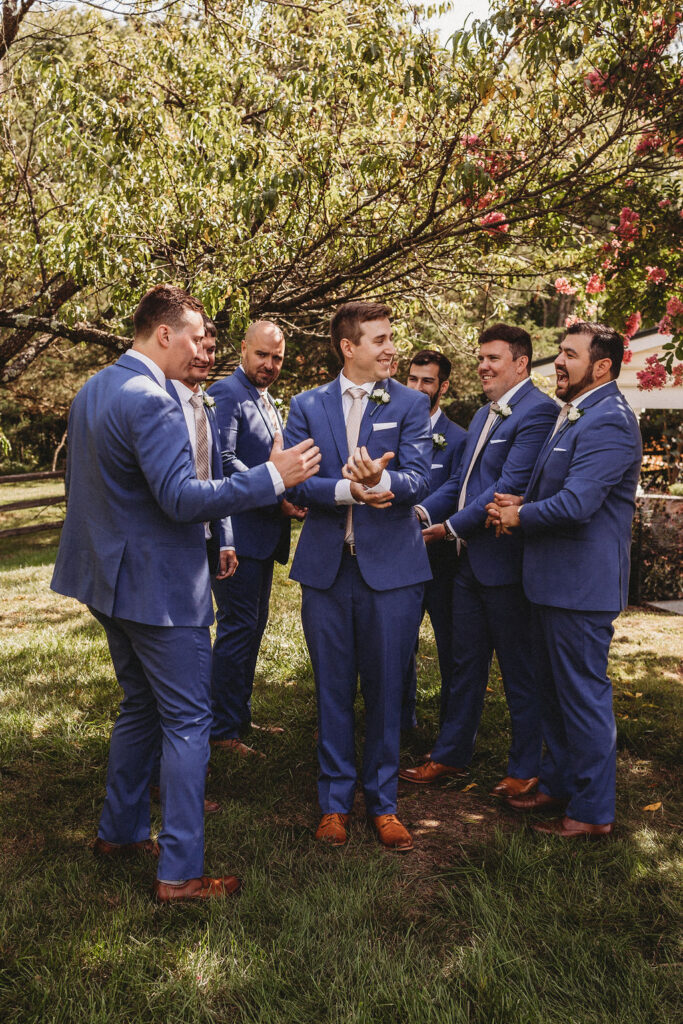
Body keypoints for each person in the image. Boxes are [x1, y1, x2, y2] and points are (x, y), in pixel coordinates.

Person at [51, 284, 320, 901]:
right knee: (189, 721)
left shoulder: (95, 386)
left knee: (140, 706)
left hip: (106, 579)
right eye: (197, 336)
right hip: (157, 587)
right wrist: (271, 477)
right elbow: (180, 499)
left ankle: (118, 833)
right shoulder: (151, 399)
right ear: (164, 333)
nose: (203, 347)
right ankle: (179, 872)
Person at [284, 301, 432, 852]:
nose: (391, 347)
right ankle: (333, 804)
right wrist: (350, 490)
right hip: (327, 571)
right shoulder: (306, 405)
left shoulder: (411, 403)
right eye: (380, 339)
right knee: (332, 690)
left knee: (388, 689)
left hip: (392, 572)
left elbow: (419, 476)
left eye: (391, 337)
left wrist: (385, 478)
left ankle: (386, 804)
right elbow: (296, 484)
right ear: (349, 347)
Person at [486, 322, 642, 838]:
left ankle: (593, 813)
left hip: (580, 588)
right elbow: (554, 484)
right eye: (559, 352)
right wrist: (520, 501)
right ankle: (556, 785)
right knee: (552, 694)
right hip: (550, 583)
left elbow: (578, 503)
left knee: (582, 699)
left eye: (569, 354)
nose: (557, 360)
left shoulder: (610, 421)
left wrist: (519, 516)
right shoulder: (576, 413)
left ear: (601, 367)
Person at [399, 324, 557, 797]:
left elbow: (505, 486)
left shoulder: (538, 412)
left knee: (517, 673)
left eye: (493, 358)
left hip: (506, 564)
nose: (484, 366)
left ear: (521, 363)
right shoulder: (488, 412)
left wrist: (449, 528)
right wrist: (431, 513)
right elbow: (463, 483)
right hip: (470, 563)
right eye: (481, 358)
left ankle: (526, 767)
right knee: (464, 665)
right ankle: (450, 756)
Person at [207, 321, 306, 757]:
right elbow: (222, 460)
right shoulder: (228, 393)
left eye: (278, 358)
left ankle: (237, 718)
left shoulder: (264, 398)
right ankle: (221, 732)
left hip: (261, 536)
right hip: (238, 535)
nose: (270, 364)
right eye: (262, 355)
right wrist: (276, 490)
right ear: (243, 349)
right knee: (237, 629)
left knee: (251, 628)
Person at [401, 350, 467, 729]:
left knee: (451, 650)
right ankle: (401, 724)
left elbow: (460, 489)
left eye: (427, 381)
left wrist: (423, 515)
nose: (418, 387)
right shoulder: (389, 428)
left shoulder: (459, 439)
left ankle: (449, 734)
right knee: (398, 648)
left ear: (443, 386)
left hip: (443, 560)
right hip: (398, 559)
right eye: (412, 379)